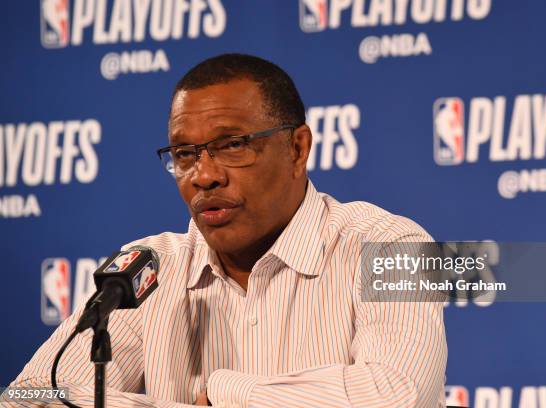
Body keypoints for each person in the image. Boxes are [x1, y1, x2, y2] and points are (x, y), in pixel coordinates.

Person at [3, 54, 447, 407]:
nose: (203, 176)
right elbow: (30, 396)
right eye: (184, 153)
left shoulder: (394, 245)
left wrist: (226, 393)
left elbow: (397, 395)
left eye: (232, 145)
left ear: (297, 148)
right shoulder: (148, 269)